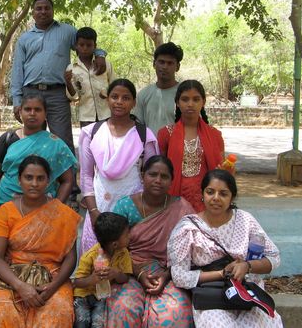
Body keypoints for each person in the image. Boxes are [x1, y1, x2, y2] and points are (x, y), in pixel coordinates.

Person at [168, 169, 283, 327]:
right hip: (212, 297)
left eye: (223, 193)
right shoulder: (188, 228)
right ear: (202, 194)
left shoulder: (245, 220)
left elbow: (273, 257)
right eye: (210, 192)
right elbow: (179, 275)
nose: (216, 198)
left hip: (247, 295)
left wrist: (247, 266)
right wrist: (222, 274)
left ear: (232, 198)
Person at [0, 155, 81, 327]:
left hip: (53, 277)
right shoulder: (5, 212)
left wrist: (52, 287)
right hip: (12, 278)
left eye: (40, 178)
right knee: (1, 315)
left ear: (48, 181)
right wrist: (20, 286)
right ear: (19, 180)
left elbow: (70, 258)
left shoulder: (63, 213)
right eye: (28, 177)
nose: (34, 183)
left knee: (57, 315)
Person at [10, 0, 107, 154]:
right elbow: (17, 70)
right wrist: (17, 99)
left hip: (58, 94)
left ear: (53, 10)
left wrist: (100, 54)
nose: (43, 11)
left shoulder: (67, 31)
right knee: (32, 140)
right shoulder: (25, 39)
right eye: (39, 8)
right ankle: (37, 177)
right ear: (33, 13)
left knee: (62, 140)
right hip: (31, 93)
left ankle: (68, 179)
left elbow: (86, 42)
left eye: (47, 8)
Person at [106, 155, 194, 327]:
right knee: (122, 308)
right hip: (128, 270)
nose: (158, 180)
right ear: (142, 175)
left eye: (164, 176)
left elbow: (191, 251)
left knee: (177, 311)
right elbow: (111, 248)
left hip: (169, 273)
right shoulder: (125, 206)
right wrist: (138, 273)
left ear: (171, 181)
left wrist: (167, 274)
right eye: (152, 174)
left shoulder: (182, 208)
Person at [79, 78, 159, 254]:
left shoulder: (144, 135)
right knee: (94, 261)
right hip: (99, 205)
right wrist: (93, 212)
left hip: (132, 207)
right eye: (114, 96)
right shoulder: (91, 132)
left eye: (126, 98)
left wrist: (143, 210)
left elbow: (152, 176)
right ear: (107, 99)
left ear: (134, 103)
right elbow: (86, 176)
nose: (119, 102)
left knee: (128, 259)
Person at [0, 93, 77, 207]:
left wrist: (55, 208)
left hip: (43, 212)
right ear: (20, 112)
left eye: (37, 110)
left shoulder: (56, 144)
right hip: (6, 207)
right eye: (27, 109)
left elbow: (67, 181)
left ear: (45, 114)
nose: (32, 113)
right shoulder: (7, 139)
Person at [157, 80, 225, 212]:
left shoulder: (215, 135)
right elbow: (160, 170)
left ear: (203, 102)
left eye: (196, 99)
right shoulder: (165, 134)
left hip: (206, 200)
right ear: (177, 102)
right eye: (185, 99)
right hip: (174, 199)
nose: (190, 104)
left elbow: (221, 170)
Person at [73, 212, 132, 328]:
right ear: (115, 244)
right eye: (126, 234)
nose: (130, 236)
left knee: (98, 323)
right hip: (83, 296)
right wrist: (91, 279)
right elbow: (77, 282)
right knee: (81, 322)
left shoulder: (123, 253)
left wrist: (116, 274)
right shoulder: (89, 256)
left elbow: (126, 278)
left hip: (101, 297)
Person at [65, 27, 114, 127]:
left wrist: (105, 92)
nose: (85, 48)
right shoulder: (71, 69)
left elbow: (115, 85)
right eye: (81, 45)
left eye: (89, 45)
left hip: (107, 114)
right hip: (86, 117)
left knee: (108, 141)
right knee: (88, 142)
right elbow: (75, 98)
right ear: (76, 46)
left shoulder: (105, 64)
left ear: (95, 46)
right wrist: (68, 82)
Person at [135, 42, 184, 135]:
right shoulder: (143, 95)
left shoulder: (185, 95)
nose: (165, 67)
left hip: (178, 148)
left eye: (170, 63)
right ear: (154, 64)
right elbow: (138, 127)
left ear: (177, 67)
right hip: (150, 148)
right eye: (161, 62)